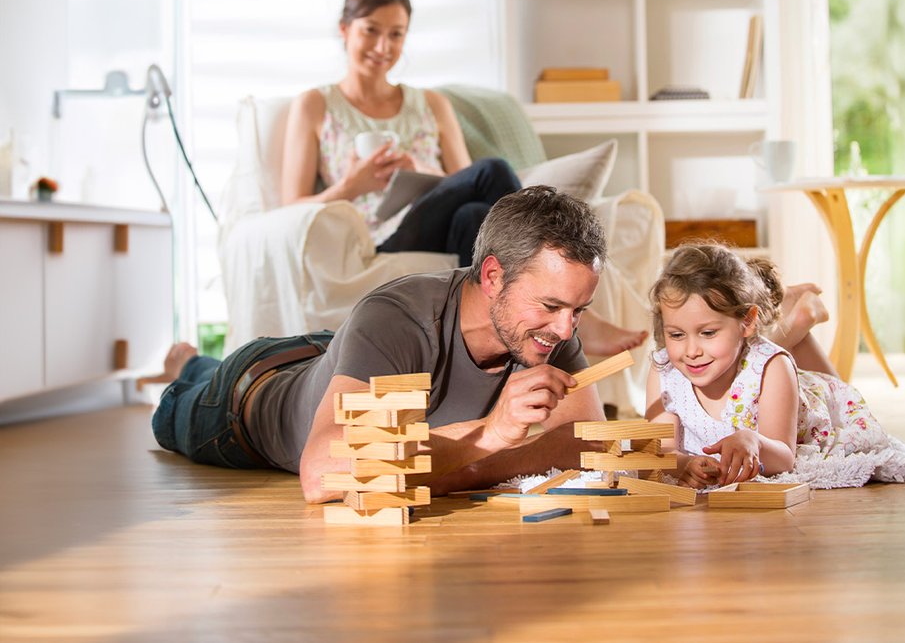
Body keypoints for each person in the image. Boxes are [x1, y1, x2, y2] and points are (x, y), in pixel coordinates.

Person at [151, 187, 610, 502]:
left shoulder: (546, 329)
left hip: (335, 356)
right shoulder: (400, 317)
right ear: (493, 276)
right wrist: (488, 436)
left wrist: (463, 467)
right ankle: (189, 365)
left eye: (579, 310)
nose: (567, 331)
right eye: (551, 306)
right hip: (245, 397)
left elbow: (585, 443)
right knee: (180, 400)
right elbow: (321, 472)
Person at [280, 0, 645, 356]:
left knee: (474, 214)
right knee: (494, 171)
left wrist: (425, 175)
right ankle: (567, 307)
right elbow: (290, 206)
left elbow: (463, 180)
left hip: (436, 218)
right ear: (345, 29)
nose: (383, 46)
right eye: (371, 30)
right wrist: (351, 186)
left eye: (396, 34)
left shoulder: (432, 105)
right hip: (380, 235)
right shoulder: (315, 105)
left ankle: (492, 342)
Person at [645, 242, 905, 489]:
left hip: (815, 406)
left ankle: (799, 322)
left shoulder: (771, 367)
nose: (691, 351)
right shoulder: (664, 372)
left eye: (708, 333)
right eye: (676, 334)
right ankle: (794, 320)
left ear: (746, 321)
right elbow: (663, 449)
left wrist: (753, 440)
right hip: (761, 365)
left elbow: (784, 456)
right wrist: (683, 464)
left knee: (837, 404)